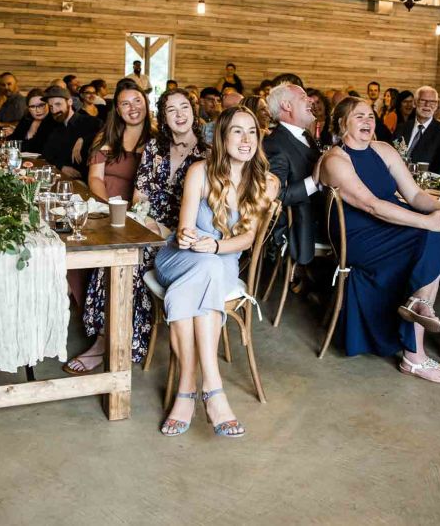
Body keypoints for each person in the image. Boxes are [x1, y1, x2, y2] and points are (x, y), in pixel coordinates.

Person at [154, 107, 279, 437]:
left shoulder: (266, 182)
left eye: (251, 131)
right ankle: (214, 390)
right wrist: (187, 236)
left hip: (220, 260)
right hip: (179, 257)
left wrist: (215, 247)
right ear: (223, 138)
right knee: (205, 269)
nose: (245, 139)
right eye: (236, 131)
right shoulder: (200, 171)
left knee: (206, 272)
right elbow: (184, 227)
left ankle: (186, 391)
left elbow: (248, 238)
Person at [319, 97, 440, 383]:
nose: (367, 122)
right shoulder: (335, 160)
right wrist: (427, 222)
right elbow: (371, 205)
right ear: (343, 122)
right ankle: (416, 348)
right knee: (430, 233)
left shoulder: (384, 150)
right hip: (358, 236)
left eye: (370, 116)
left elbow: (414, 194)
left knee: (437, 231)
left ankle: (419, 312)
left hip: (389, 224)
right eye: (359, 117)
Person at [64, 86, 153, 375]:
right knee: (74, 250)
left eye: (137, 101)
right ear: (117, 109)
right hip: (107, 210)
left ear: (146, 103)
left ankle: (104, 342)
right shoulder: (107, 136)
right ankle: (92, 323)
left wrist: (131, 214)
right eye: (124, 103)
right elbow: (95, 178)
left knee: (112, 264)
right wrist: (108, 208)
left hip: (142, 218)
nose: (132, 107)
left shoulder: (157, 141)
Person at [264, 83, 322, 284]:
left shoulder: (305, 136)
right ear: (286, 105)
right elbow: (276, 196)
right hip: (304, 226)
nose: (311, 100)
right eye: (303, 97)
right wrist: (315, 180)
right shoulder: (275, 144)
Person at [40, 85, 101, 179]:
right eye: (51, 107)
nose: (54, 110)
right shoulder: (54, 128)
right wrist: (62, 167)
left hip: (88, 181)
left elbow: (108, 134)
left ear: (70, 102)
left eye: (58, 104)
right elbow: (46, 156)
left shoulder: (90, 122)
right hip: (61, 179)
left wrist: (84, 139)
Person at [393, 86, 440, 170]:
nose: (427, 105)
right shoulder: (401, 127)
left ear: (436, 105)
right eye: (423, 100)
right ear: (415, 103)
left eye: (432, 102)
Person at [7, 88, 58, 154]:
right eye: (33, 107)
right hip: (22, 160)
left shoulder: (54, 121)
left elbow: (37, 147)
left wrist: (11, 144)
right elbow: (14, 138)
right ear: (28, 108)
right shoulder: (27, 118)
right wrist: (0, 140)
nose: (37, 110)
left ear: (48, 104)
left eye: (41, 105)